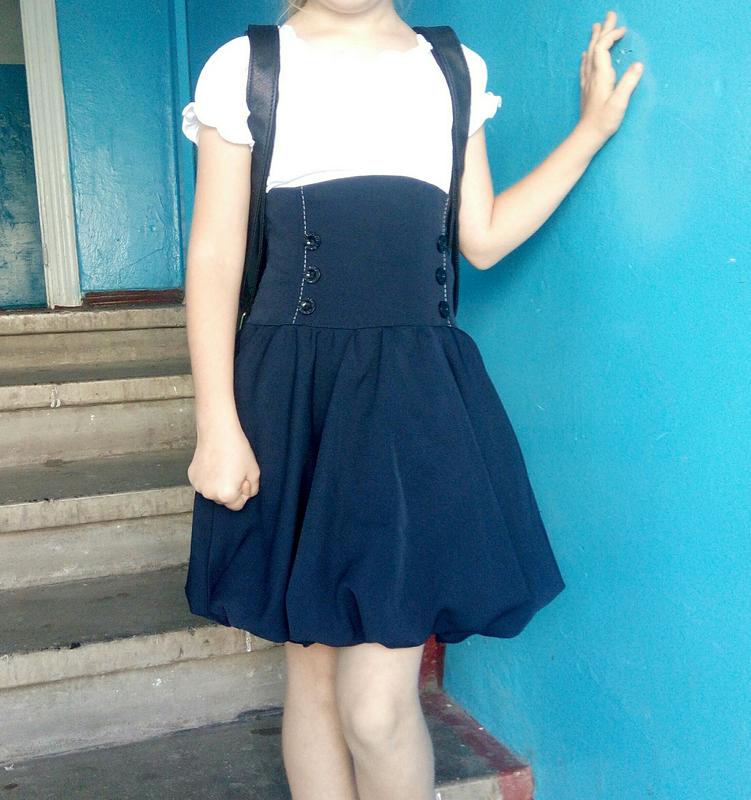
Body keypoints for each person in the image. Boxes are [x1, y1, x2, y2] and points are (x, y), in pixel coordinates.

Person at [180, 2, 642, 798]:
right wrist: (216, 424)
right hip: (290, 396)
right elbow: (216, 253)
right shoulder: (246, 65)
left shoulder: (453, 68)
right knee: (313, 681)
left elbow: (482, 237)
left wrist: (591, 131)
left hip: (410, 400)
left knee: (374, 708)